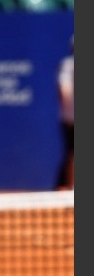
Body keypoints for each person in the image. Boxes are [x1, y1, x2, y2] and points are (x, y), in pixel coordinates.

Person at [56, 35, 74, 190]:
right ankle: (70, 185)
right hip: (70, 118)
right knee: (72, 152)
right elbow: (64, 89)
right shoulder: (67, 66)